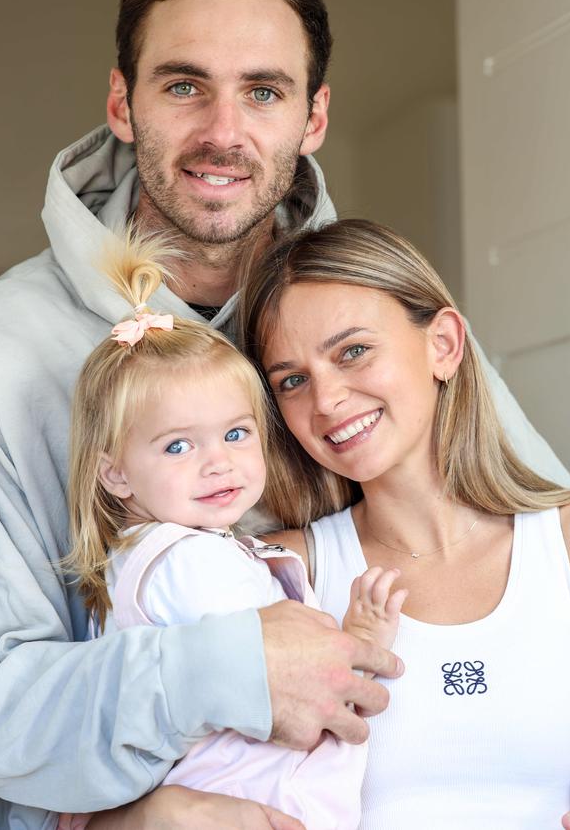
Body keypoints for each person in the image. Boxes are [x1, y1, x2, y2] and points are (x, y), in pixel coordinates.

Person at [0, 0, 570, 826]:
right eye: (185, 85)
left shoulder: (380, 313)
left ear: (314, 118)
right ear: (122, 104)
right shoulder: (10, 351)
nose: (223, 132)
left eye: (263, 92)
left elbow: (550, 548)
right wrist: (136, 808)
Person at [237, 218, 570, 829]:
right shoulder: (274, 574)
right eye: (292, 381)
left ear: (444, 345)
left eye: (353, 351)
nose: (325, 401)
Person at [57, 235, 405, 830]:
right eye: (177, 445)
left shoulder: (162, 556)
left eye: (237, 434)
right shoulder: (191, 564)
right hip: (254, 801)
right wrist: (358, 639)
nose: (217, 462)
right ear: (114, 472)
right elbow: (292, 673)